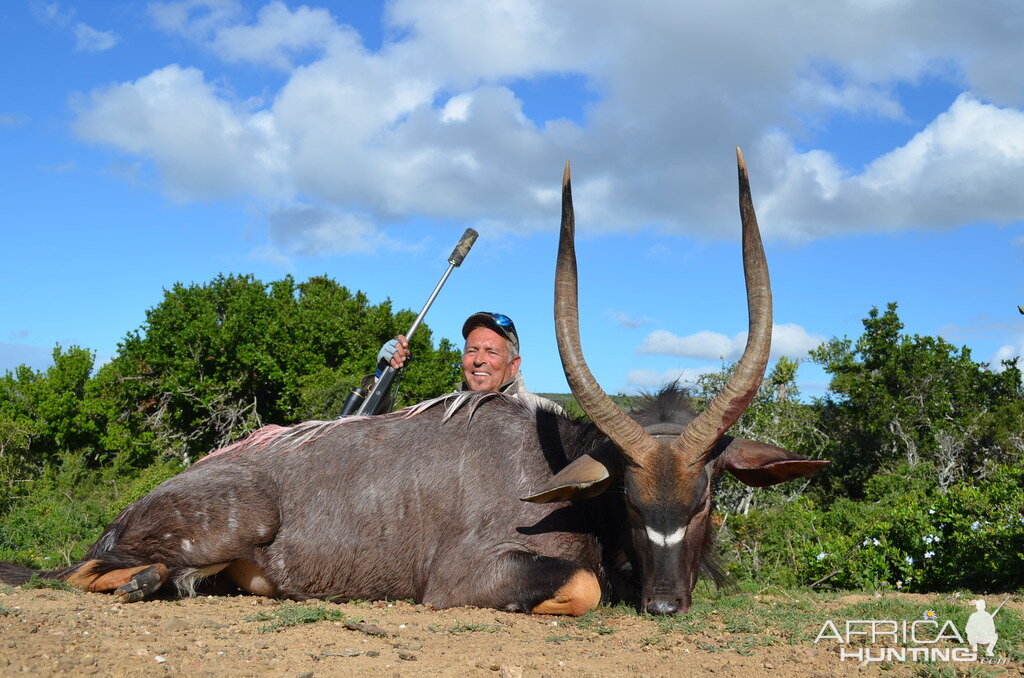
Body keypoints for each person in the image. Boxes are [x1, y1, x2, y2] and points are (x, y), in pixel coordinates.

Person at [379, 311, 563, 413]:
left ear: (514, 365)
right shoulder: (441, 410)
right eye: (471, 351)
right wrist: (382, 376)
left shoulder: (545, 415)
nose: (478, 360)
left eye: (491, 352)